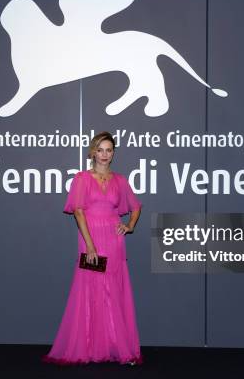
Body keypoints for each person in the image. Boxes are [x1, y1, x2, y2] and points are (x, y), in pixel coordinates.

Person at [42, 131, 143, 365]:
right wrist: (89, 245)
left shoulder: (120, 180)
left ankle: (118, 347)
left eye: (109, 150)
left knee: (113, 292)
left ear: (113, 153)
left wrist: (129, 225)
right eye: (100, 150)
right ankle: (88, 347)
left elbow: (135, 207)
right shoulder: (82, 179)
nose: (104, 155)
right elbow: (78, 211)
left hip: (114, 240)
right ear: (92, 152)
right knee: (92, 289)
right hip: (90, 238)